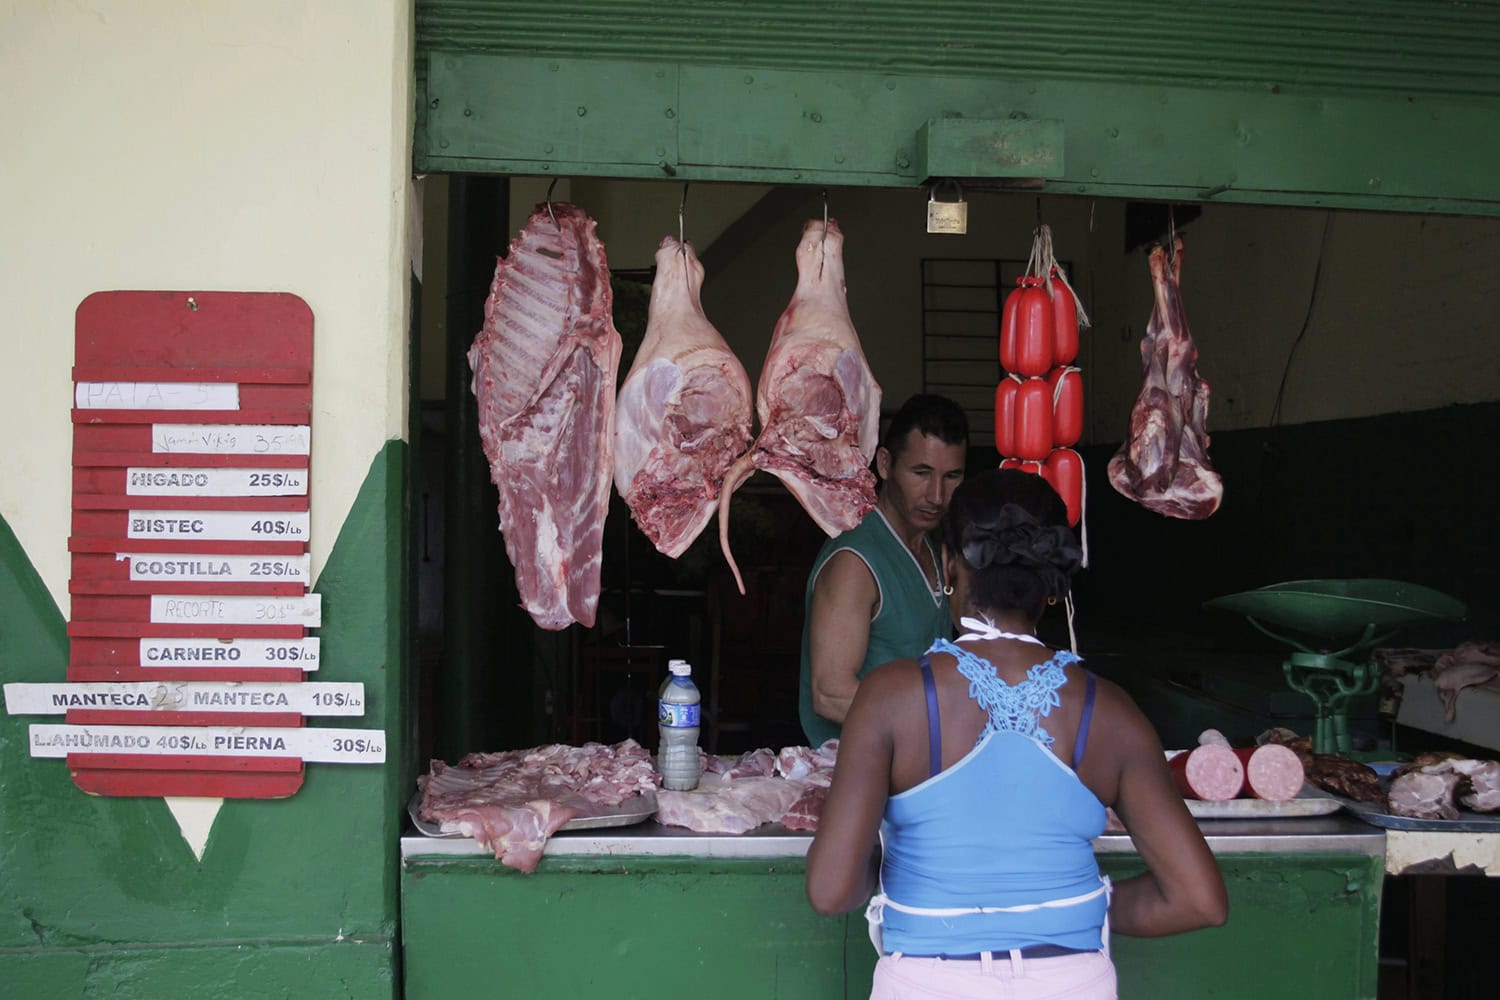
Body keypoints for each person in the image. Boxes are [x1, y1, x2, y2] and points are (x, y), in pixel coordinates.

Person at [806, 469, 1227, 1000]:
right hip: (1073, 983)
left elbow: (831, 890)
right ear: (1050, 584)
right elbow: (1198, 899)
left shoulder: (891, 696)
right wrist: (1065, 908)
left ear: (952, 566)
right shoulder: (1113, 712)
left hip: (929, 983)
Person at [798, 394, 968, 747]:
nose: (937, 495)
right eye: (921, 473)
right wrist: (937, 731)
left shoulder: (933, 551)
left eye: (952, 476)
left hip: (912, 767)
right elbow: (830, 693)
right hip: (852, 772)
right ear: (886, 464)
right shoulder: (855, 561)